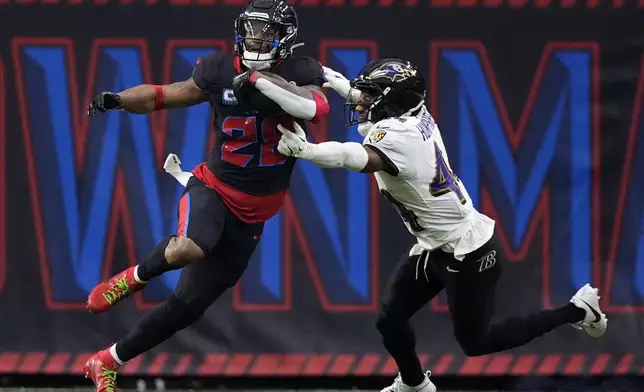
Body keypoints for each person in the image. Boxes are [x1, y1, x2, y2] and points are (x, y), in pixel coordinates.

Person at [276, 58, 607, 392]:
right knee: (389, 320)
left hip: (467, 252)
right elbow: (385, 104)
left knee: (477, 343)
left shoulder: (398, 139)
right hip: (433, 244)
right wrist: (340, 83)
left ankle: (576, 310)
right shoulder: (413, 112)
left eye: (368, 96)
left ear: (393, 102)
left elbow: (354, 157)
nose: (361, 103)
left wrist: (307, 151)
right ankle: (415, 384)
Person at [82, 0, 329, 390]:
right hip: (214, 186)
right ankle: (134, 277)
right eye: (251, 30)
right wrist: (118, 100)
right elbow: (165, 94)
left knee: (187, 307)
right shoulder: (216, 70)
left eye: (266, 32)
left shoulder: (300, 72)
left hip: (255, 212)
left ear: (286, 39)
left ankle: (107, 361)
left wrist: (269, 86)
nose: (256, 39)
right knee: (191, 246)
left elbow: (317, 105)